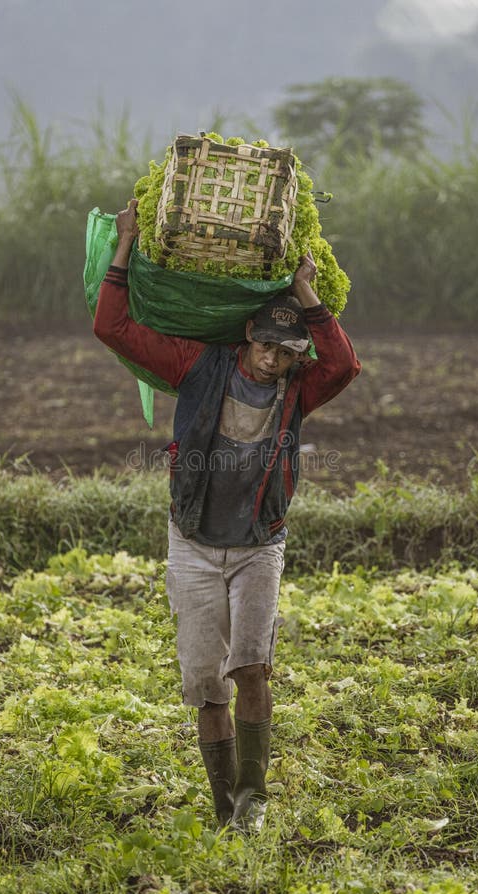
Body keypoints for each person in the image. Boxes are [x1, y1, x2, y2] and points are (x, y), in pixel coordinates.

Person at [93, 198, 361, 830]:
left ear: (297, 356)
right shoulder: (199, 367)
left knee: (251, 666)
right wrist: (124, 244)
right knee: (206, 685)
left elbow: (346, 365)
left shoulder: (298, 391)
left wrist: (307, 295)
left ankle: (254, 796)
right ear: (249, 337)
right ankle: (223, 807)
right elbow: (115, 330)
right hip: (192, 543)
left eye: (286, 351)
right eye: (266, 345)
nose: (272, 359)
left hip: (258, 544)